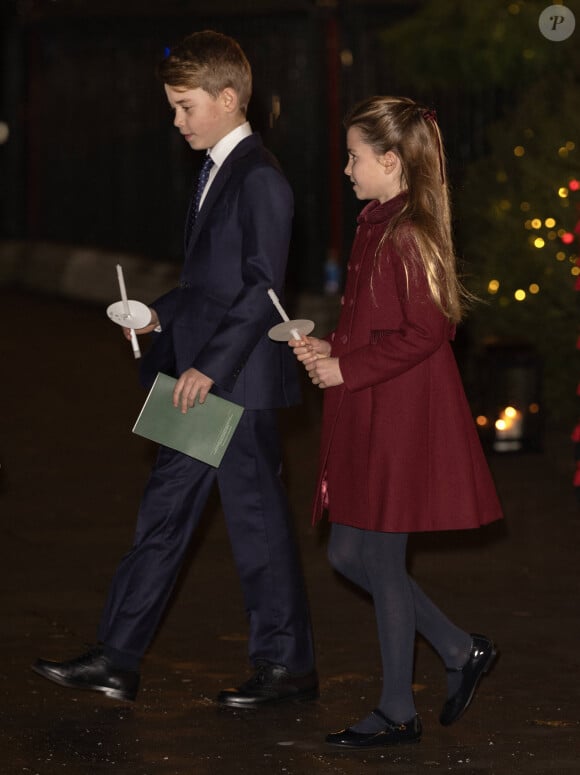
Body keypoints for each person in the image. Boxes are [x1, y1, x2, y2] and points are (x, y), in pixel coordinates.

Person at [33, 30, 317, 708]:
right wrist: (157, 317)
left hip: (235, 381)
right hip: (205, 372)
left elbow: (259, 288)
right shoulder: (220, 171)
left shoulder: (260, 178)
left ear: (227, 98)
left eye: (186, 106)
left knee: (256, 522)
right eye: (173, 106)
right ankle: (117, 656)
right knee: (164, 512)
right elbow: (209, 287)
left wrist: (210, 368)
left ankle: (287, 667)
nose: (177, 120)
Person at [290, 96, 503, 747]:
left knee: (377, 557)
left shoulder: (406, 231)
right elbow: (379, 324)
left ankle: (396, 709)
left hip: (400, 418)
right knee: (350, 552)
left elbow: (430, 329)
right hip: (375, 409)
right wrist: (334, 349)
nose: (347, 169)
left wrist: (348, 370)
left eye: (354, 157)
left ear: (390, 161)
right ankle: (459, 647)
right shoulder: (378, 222)